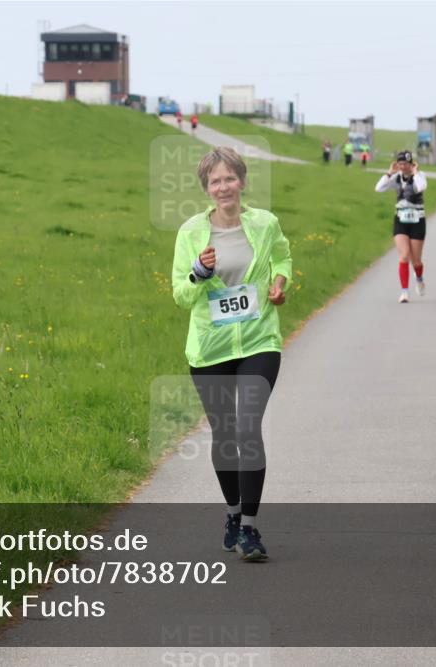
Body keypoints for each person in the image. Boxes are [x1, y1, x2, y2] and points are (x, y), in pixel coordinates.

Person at [171, 146, 292, 561]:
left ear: (241, 181)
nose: (223, 187)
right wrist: (200, 273)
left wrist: (279, 283)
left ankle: (251, 531)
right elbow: (181, 295)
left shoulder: (265, 223)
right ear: (207, 188)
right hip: (210, 348)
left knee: (247, 429)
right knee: (224, 435)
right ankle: (233, 514)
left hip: (260, 341)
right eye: (215, 181)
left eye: (229, 178)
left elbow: (283, 256)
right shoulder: (191, 233)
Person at [375, 150, 428, 303]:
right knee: (404, 255)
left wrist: (416, 172)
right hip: (401, 220)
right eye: (400, 164)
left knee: (416, 260)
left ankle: (419, 278)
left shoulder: (420, 176)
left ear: (412, 164)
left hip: (417, 220)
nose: (403, 167)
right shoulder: (396, 178)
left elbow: (421, 187)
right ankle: (404, 292)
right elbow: (378, 188)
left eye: (406, 164)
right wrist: (389, 172)